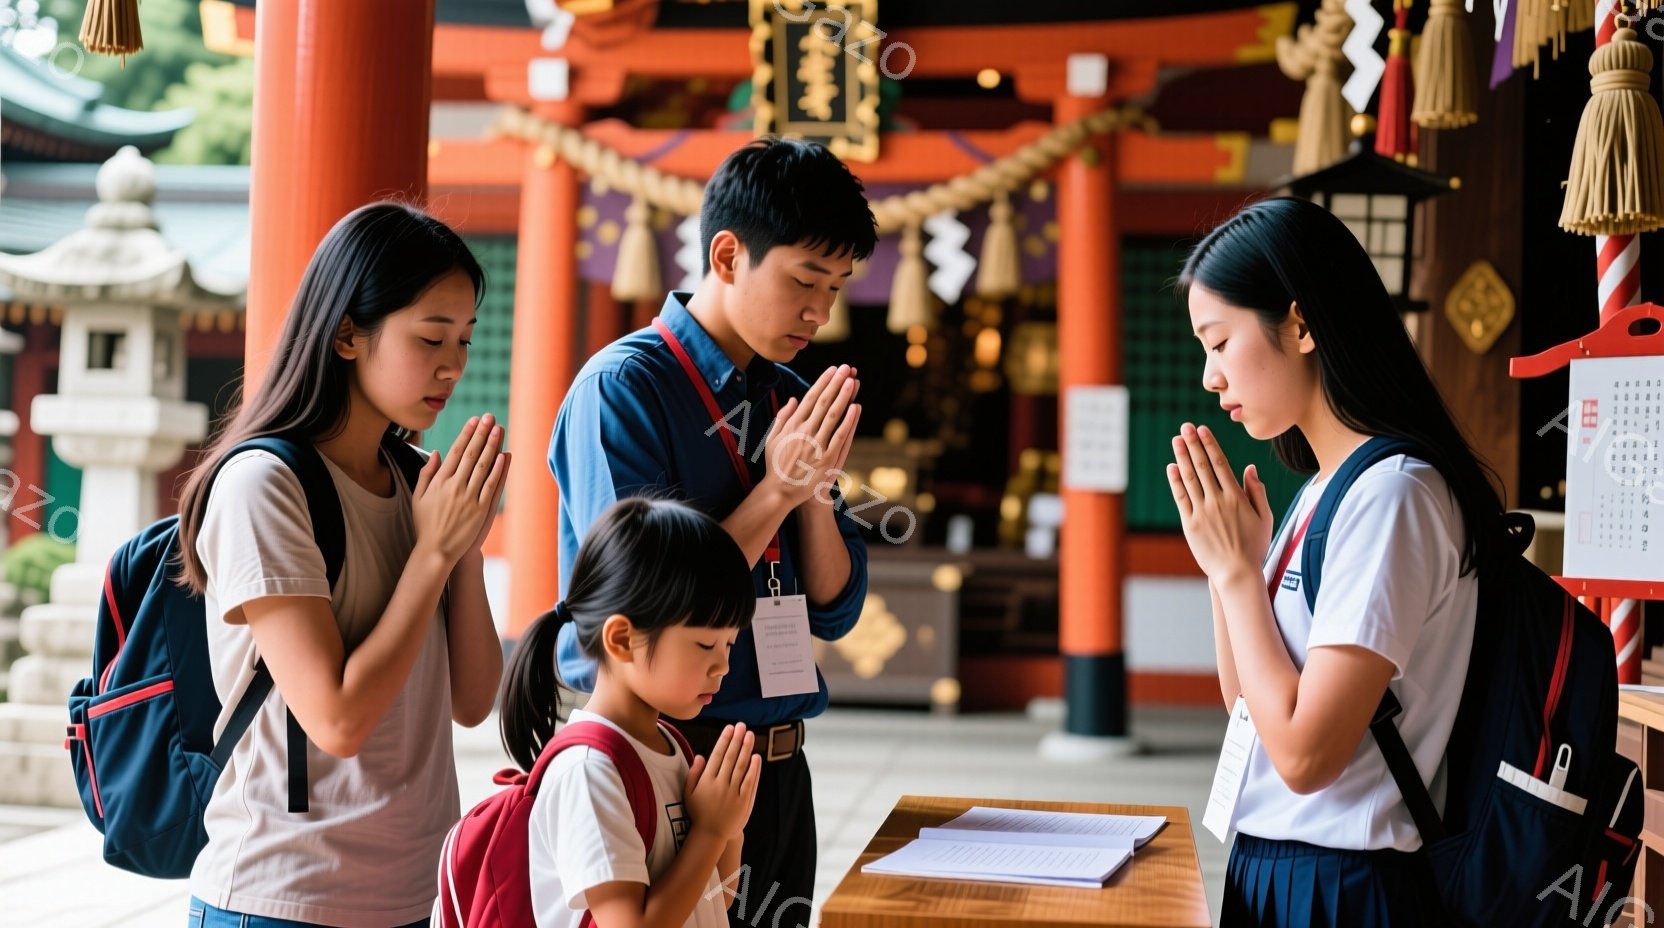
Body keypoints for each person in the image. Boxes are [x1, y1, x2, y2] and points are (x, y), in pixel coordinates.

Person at [548, 136, 877, 924]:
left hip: (780, 766)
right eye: (803, 280)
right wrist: (779, 487)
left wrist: (810, 497)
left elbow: (833, 608)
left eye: (835, 288)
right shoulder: (625, 387)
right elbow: (641, 598)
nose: (819, 312)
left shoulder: (790, 395)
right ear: (727, 255)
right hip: (666, 763)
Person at [1168, 196, 1504, 927]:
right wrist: (1231, 574)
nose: (1209, 377)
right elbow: (1249, 715)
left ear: (1299, 323)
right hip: (1278, 866)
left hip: (1345, 885)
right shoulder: (1323, 490)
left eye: (1220, 343)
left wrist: (1235, 578)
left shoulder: (1395, 495)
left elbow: (1306, 758)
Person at [174, 202, 511, 928]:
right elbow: (335, 719)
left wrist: (464, 548)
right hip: (283, 895)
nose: (453, 364)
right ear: (348, 334)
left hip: (413, 890)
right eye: (430, 337)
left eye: (464, 339)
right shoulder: (264, 486)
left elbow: (473, 699)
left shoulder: (420, 481)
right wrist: (432, 552)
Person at [501, 497, 761, 928]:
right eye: (704, 645)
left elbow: (718, 893)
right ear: (622, 639)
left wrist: (729, 827)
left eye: (729, 645)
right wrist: (711, 830)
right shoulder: (588, 771)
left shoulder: (668, 743)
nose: (723, 666)